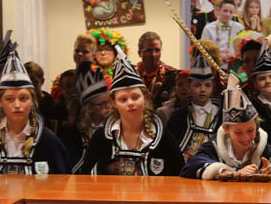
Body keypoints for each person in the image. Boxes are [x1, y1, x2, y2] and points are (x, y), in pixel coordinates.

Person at [76, 48, 184, 176]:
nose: (130, 103)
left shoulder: (163, 137)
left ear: (145, 97)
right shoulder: (101, 138)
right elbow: (86, 175)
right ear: (113, 103)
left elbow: (180, 175)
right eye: (123, 99)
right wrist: (105, 168)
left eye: (135, 97)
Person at [0, 41, 69, 175]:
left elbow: (62, 181)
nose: (17, 105)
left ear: (32, 101)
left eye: (23, 98)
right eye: (9, 99)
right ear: (0, 101)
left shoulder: (48, 142)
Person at [166, 49, 221, 161]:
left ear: (213, 86)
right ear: (189, 86)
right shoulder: (179, 116)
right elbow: (170, 147)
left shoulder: (220, 115)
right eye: (197, 85)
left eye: (207, 85)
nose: (203, 90)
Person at [58, 61, 112, 167]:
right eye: (102, 104)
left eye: (109, 102)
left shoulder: (114, 128)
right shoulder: (78, 131)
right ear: (89, 108)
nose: (108, 107)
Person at [136, 31, 175, 109]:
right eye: (148, 50)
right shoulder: (131, 72)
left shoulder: (171, 74)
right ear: (140, 53)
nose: (153, 54)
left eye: (157, 50)